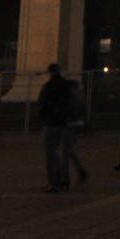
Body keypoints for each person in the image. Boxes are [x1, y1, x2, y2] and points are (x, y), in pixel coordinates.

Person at [38, 63, 74, 192]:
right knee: (65, 154)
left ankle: (54, 183)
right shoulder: (66, 86)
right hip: (65, 123)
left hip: (52, 123)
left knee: (51, 154)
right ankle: (65, 180)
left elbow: (42, 105)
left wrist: (44, 117)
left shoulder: (48, 87)